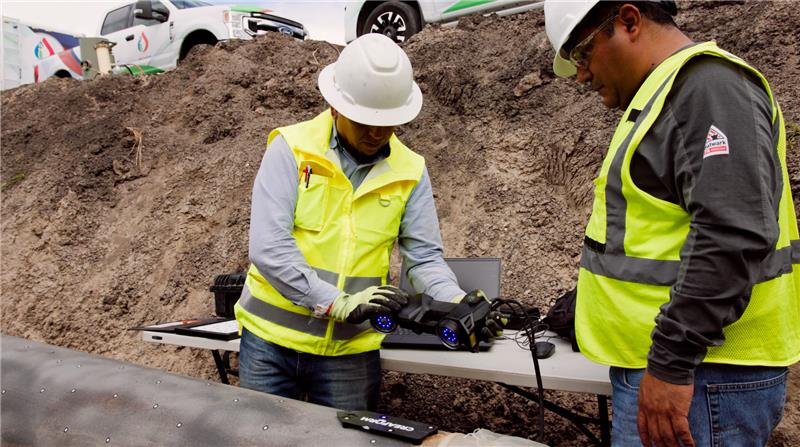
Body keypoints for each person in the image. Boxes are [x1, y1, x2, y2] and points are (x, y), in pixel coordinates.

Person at [544, 1, 799, 446]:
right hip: (687, 371)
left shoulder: (707, 89)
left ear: (628, 21)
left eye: (583, 53)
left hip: (702, 375)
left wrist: (671, 362)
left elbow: (733, 234)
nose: (581, 75)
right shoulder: (667, 96)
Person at [234, 33, 502, 412]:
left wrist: (458, 304)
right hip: (270, 344)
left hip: (350, 352)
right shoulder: (291, 150)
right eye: (365, 121)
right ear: (336, 106)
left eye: (388, 123)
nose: (377, 133)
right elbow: (269, 247)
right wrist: (335, 303)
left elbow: (424, 259)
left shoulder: (411, 170)